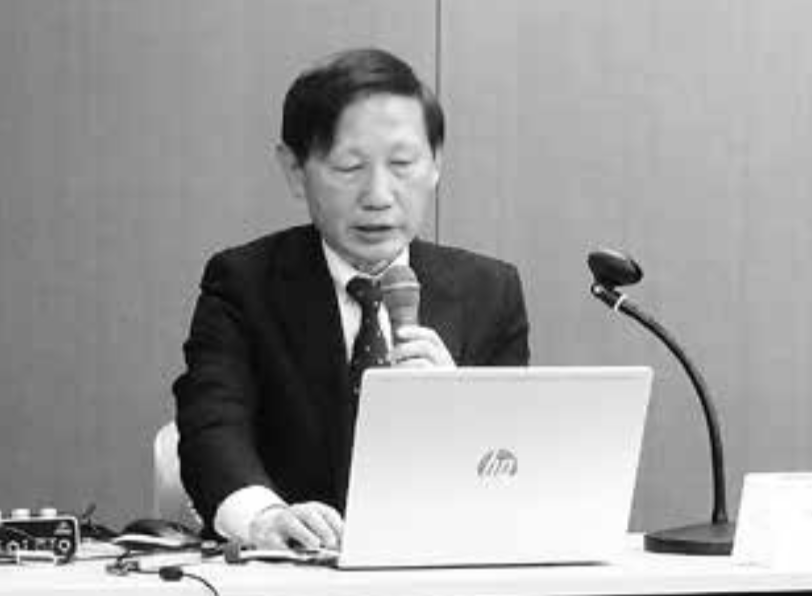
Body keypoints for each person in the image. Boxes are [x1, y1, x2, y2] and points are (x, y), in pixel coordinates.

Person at [173, 47, 530, 552]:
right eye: (349, 167)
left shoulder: (489, 291)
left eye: (402, 164)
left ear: (436, 164)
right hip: (294, 570)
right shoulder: (243, 284)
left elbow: (516, 465)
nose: (378, 195)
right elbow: (211, 426)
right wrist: (265, 518)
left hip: (443, 568)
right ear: (295, 170)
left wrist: (459, 410)